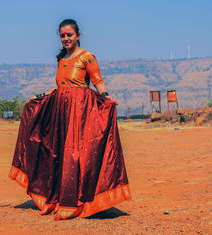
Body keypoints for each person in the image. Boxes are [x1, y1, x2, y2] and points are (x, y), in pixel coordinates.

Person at [9, 19, 131, 220]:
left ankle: (76, 200)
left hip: (80, 112)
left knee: (75, 155)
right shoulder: (62, 59)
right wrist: (39, 96)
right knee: (55, 153)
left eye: (69, 35)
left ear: (78, 35)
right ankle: (55, 198)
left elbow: (97, 81)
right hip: (60, 112)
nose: (66, 38)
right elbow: (60, 87)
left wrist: (107, 97)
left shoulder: (87, 57)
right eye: (62, 35)